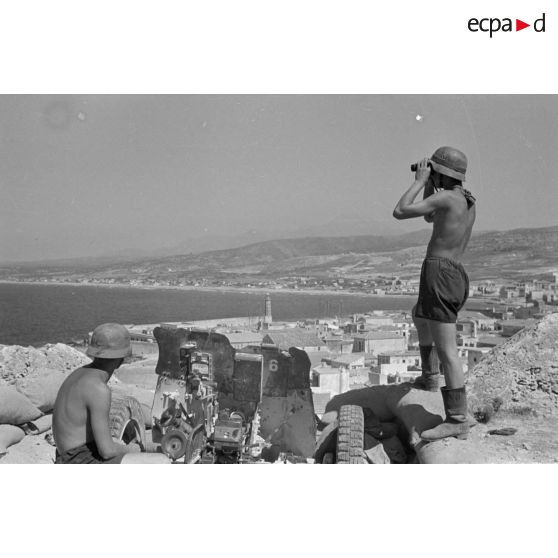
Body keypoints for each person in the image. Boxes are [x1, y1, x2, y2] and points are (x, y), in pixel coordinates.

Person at [393, 146, 476, 441]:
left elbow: (400, 211)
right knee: (419, 315)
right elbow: (431, 218)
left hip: (439, 273)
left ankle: (456, 419)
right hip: (451, 272)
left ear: (440, 172)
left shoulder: (445, 197)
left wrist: (419, 181)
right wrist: (432, 181)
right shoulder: (464, 200)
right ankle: (430, 379)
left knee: (447, 350)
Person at [53, 322, 170, 463]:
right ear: (121, 359)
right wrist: (135, 449)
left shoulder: (78, 374)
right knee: (161, 462)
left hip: (67, 454)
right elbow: (107, 451)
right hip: (78, 459)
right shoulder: (98, 389)